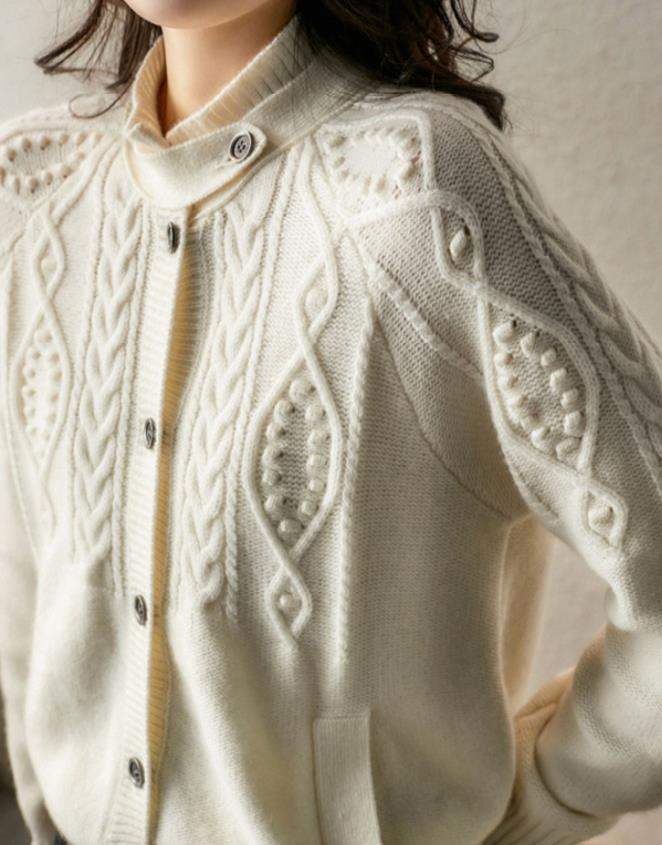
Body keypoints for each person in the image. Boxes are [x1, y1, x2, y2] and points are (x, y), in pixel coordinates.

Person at [0, 1, 661, 844]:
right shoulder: (32, 187)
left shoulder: (419, 187)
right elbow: (27, 550)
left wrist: (549, 797)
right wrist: (39, 795)